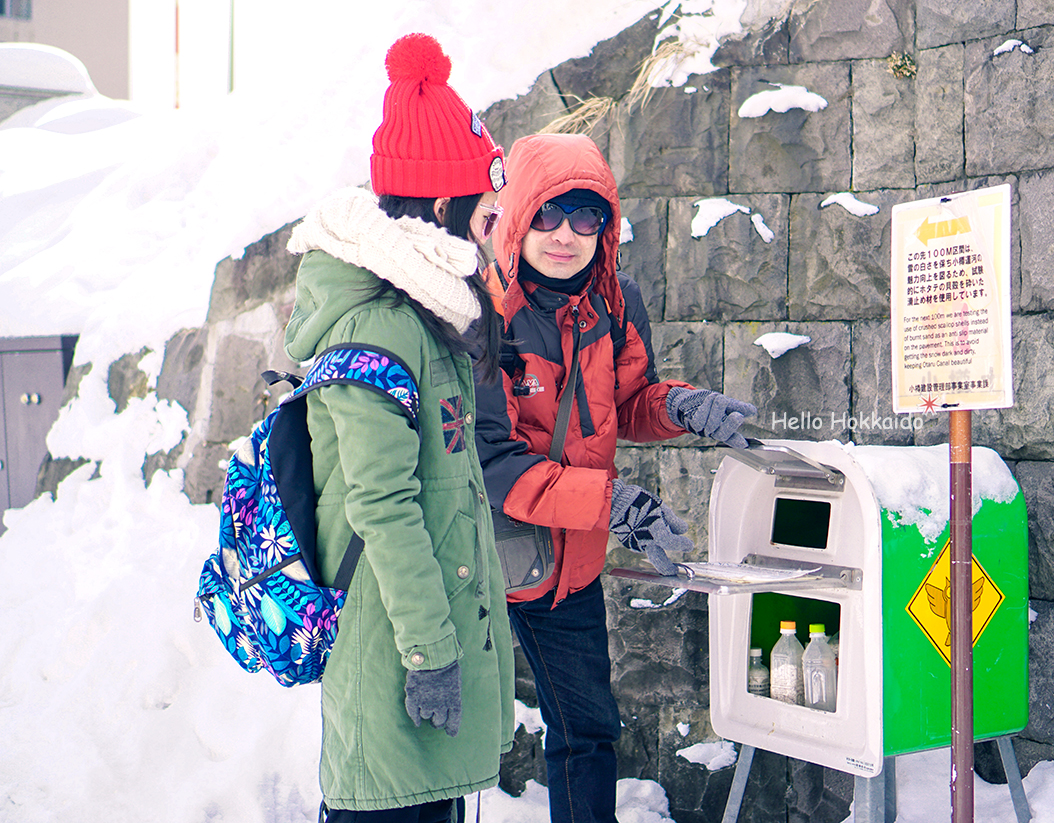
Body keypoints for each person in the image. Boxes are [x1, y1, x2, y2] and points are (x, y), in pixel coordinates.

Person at [475, 132, 757, 823]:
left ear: (606, 226)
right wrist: (617, 504)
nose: (565, 234)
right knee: (453, 736)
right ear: (517, 214)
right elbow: (494, 461)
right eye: (547, 214)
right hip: (476, 556)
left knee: (588, 729)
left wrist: (685, 405)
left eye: (585, 216)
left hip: (565, 560)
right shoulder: (482, 312)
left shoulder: (614, 301)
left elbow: (629, 402)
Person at [283, 33, 514, 823]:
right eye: (485, 204)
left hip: (420, 669)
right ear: (443, 205)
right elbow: (383, 506)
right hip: (393, 666)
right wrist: (430, 653)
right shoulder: (376, 334)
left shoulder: (428, 316)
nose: (495, 221)